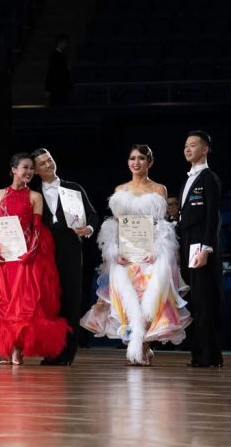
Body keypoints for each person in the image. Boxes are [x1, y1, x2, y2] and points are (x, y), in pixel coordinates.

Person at [80, 144, 190, 366]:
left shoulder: (158, 189)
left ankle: (143, 346)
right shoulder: (120, 189)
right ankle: (137, 346)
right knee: (127, 299)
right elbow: (115, 224)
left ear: (150, 162)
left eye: (141, 158)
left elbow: (161, 225)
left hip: (150, 254)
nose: (136, 162)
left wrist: (157, 250)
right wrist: (115, 251)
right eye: (132, 158)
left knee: (150, 298)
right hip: (126, 254)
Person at [0, 153, 68, 365]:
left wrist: (31, 252)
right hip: (2, 258)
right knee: (1, 301)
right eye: (25, 167)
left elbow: (36, 229)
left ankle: (17, 348)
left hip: (23, 258)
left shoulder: (35, 196)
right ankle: (4, 346)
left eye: (31, 168)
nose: (29, 172)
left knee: (21, 303)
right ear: (14, 169)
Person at [32, 148, 100, 366]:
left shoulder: (73, 188)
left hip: (70, 248)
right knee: (49, 301)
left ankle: (68, 352)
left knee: (71, 299)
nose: (48, 165)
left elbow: (92, 214)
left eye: (50, 160)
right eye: (42, 163)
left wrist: (88, 228)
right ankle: (51, 350)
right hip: (44, 251)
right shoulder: (33, 194)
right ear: (35, 171)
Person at [177, 130, 223, 368]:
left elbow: (212, 217)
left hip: (201, 247)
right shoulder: (187, 179)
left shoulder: (209, 178)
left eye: (193, 145)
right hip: (187, 245)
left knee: (205, 300)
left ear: (205, 149)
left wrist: (206, 248)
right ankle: (200, 354)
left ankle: (208, 355)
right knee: (194, 300)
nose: (188, 148)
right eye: (186, 145)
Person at [44, 34, 71, 107]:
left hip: (58, 87)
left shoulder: (59, 55)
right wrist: (48, 89)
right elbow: (51, 73)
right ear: (60, 43)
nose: (66, 45)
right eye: (65, 43)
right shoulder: (56, 56)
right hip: (58, 88)